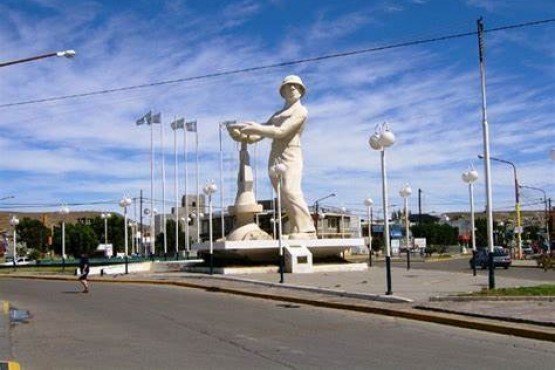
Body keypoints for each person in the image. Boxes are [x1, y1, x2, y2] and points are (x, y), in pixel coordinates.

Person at [228, 75, 316, 239]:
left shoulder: (301, 111)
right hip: (275, 154)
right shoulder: (278, 114)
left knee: (291, 189)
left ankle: (307, 229)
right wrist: (239, 134)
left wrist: (255, 128)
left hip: (291, 153)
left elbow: (281, 132)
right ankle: (297, 227)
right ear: (281, 92)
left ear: (301, 90)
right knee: (282, 194)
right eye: (287, 86)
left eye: (295, 86)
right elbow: (256, 137)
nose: (291, 89)